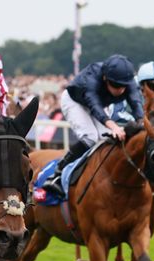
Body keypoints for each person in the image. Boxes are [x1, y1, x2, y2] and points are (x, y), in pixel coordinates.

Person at [41, 54, 144, 197]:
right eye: (115, 85)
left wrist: (141, 123)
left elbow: (136, 104)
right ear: (105, 78)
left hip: (99, 105)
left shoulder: (129, 82)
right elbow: (95, 107)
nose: (120, 90)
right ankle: (56, 176)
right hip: (75, 101)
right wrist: (113, 127)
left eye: (123, 86)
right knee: (90, 138)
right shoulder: (91, 78)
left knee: (105, 141)